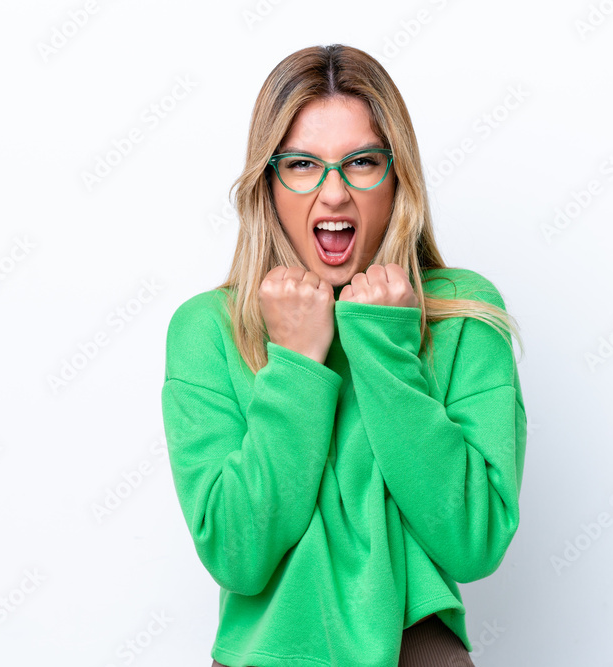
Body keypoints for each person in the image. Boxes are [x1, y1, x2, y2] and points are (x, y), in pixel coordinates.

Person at [161, 43, 527, 667]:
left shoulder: (463, 309)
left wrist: (384, 345)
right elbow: (237, 556)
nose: (333, 195)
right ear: (269, 182)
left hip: (420, 652)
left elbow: (474, 541)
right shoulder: (208, 328)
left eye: (360, 161)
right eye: (303, 164)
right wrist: (298, 364)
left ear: (397, 174)